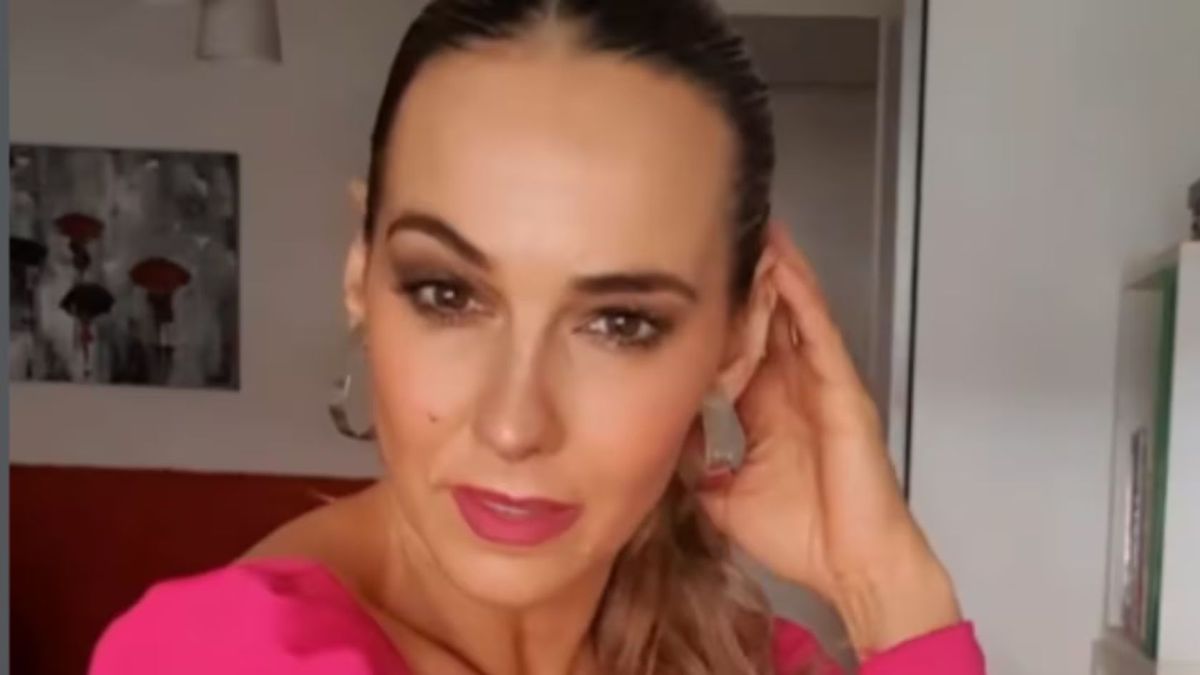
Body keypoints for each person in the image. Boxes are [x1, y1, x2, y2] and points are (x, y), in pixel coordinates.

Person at [91, 1, 987, 673]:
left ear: (739, 336)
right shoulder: (222, 655)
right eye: (447, 293)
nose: (514, 423)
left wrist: (885, 583)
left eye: (620, 322)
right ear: (361, 273)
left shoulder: (745, 655)